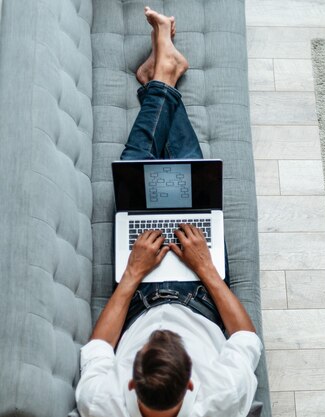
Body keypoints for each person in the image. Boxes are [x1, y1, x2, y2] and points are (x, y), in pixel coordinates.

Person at [75, 7, 262, 417]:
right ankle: (161, 78)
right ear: (192, 381)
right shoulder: (222, 395)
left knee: (134, 175)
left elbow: (100, 349)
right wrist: (206, 267)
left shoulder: (101, 402)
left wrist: (133, 274)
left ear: (130, 381)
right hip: (201, 294)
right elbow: (247, 339)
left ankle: (160, 80)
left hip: (137, 294)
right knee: (191, 185)